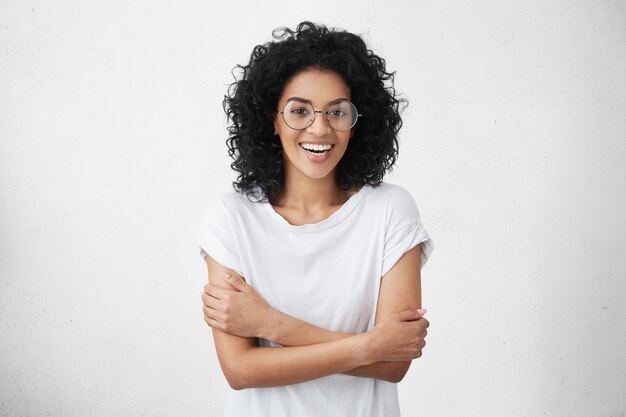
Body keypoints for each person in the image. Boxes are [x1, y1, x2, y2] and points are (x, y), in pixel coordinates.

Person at [197, 21, 434, 417]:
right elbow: (240, 370)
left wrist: (271, 325)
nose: (320, 128)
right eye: (300, 111)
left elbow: (394, 364)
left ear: (357, 123)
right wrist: (369, 345)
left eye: (337, 111)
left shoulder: (391, 211)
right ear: (271, 119)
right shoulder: (230, 217)